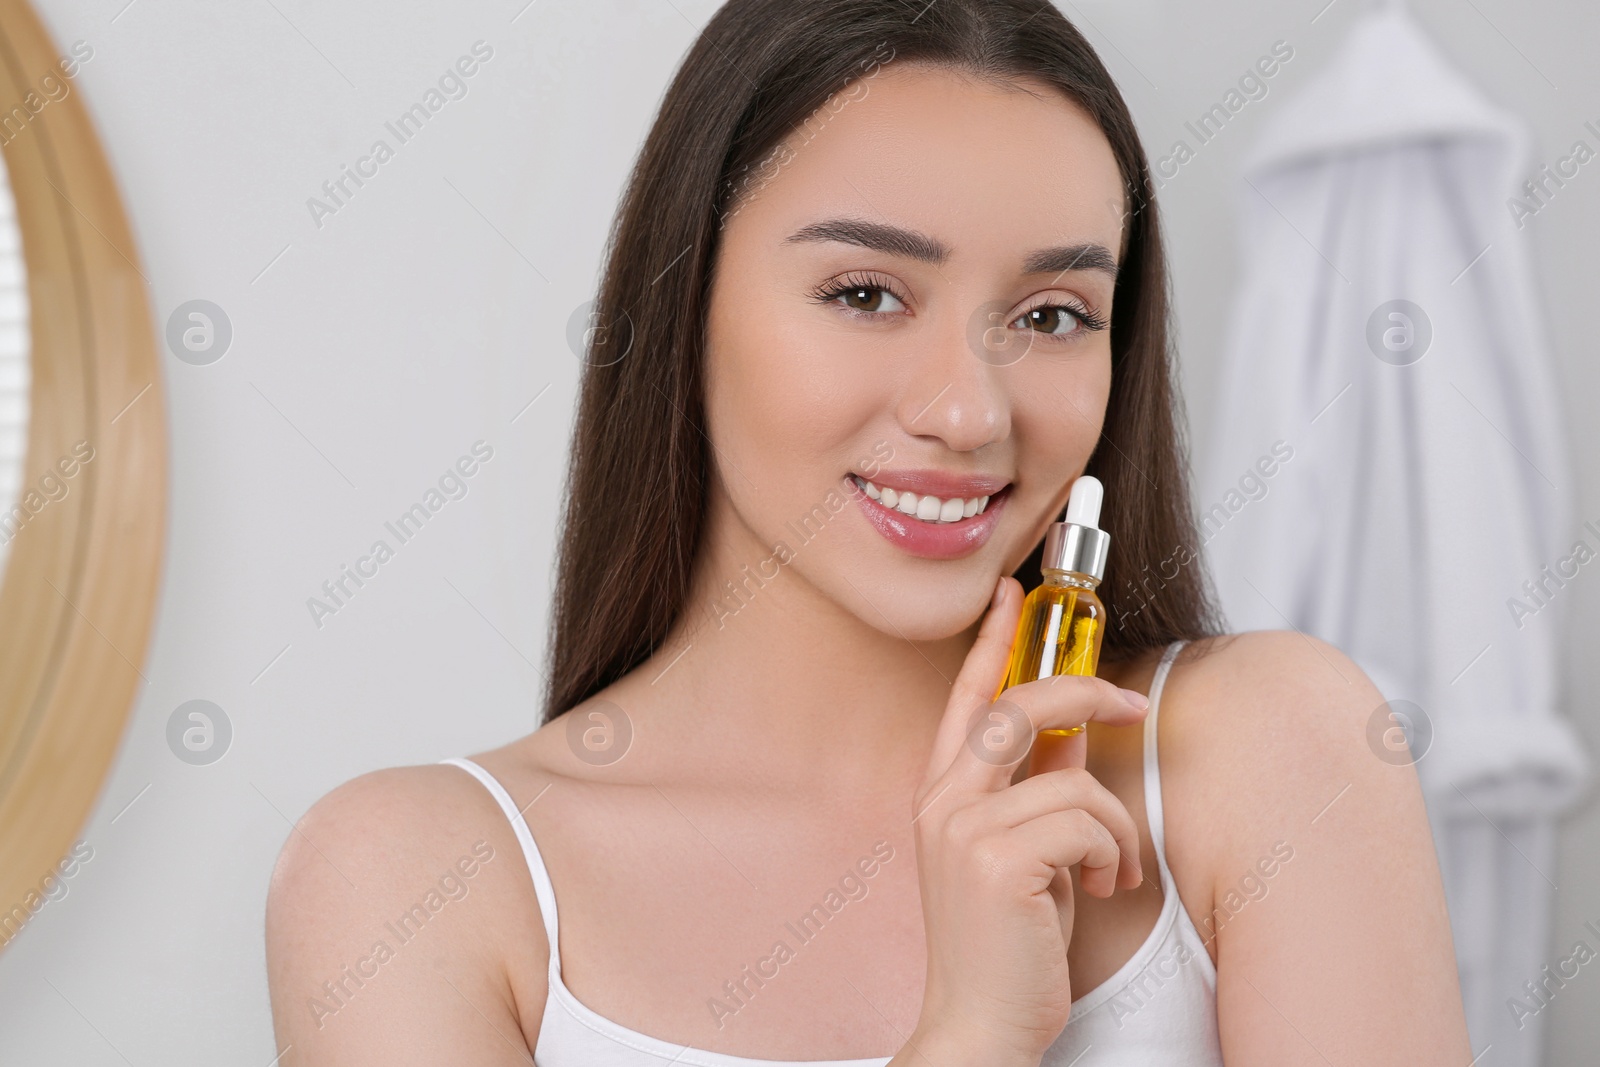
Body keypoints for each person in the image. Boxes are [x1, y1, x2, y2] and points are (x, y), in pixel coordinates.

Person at [265, 1, 1473, 1062]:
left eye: (1053, 313)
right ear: (683, 306)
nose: (968, 408)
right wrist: (967, 1038)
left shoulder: (1269, 755)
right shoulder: (416, 885)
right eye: (865, 294)